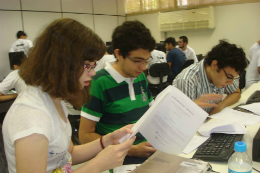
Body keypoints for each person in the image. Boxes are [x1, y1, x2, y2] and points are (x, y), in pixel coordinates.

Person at [2, 18, 136, 173]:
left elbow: (68, 154)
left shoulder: (53, 100)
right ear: (63, 63)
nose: (93, 73)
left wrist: (107, 140)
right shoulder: (32, 120)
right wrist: (98, 164)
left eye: (94, 66)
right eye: (87, 65)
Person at [79, 21, 157, 164]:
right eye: (138, 60)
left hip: (149, 151)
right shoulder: (99, 82)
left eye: (146, 61)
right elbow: (85, 136)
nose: (143, 67)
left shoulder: (139, 76)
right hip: (119, 159)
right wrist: (131, 149)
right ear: (119, 54)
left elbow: (151, 114)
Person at [173, 40, 247, 115]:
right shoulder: (187, 80)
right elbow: (183, 118)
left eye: (233, 78)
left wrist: (221, 105)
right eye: (229, 77)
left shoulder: (222, 74)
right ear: (215, 65)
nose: (230, 83)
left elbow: (236, 92)